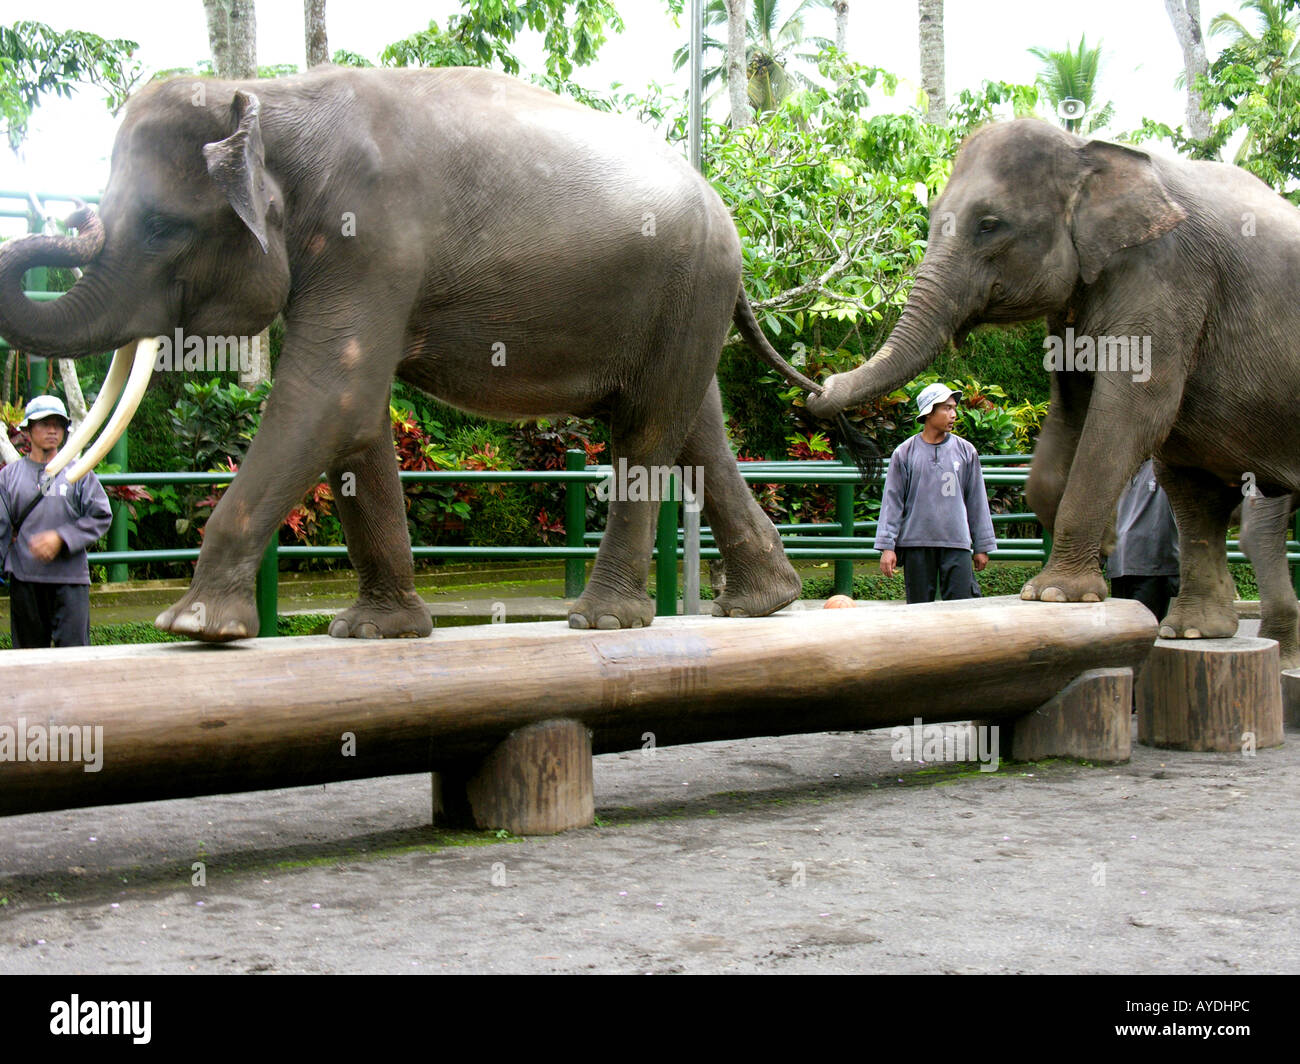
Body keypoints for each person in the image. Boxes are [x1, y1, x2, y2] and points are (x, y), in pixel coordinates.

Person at [0, 395, 113, 648]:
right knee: (28, 662)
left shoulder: (79, 473)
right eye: (44, 423)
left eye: (58, 424)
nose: (52, 430)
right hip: (25, 582)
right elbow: (1, 528)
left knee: (74, 661)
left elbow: (101, 514)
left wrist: (62, 537)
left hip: (70, 582)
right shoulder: (9, 478)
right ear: (28, 430)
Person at [875, 383, 997, 604]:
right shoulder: (904, 452)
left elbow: (977, 501)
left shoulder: (966, 451)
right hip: (916, 544)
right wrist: (887, 547)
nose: (953, 414)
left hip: (957, 542)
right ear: (929, 412)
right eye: (947, 408)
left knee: (961, 610)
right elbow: (892, 503)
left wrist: (982, 546)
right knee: (919, 610)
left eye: (954, 408)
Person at [1107, 458, 1180, 622]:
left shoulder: (1164, 466)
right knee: (1124, 627)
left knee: (1142, 627)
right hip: (1120, 564)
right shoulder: (1119, 469)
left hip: (1153, 565)